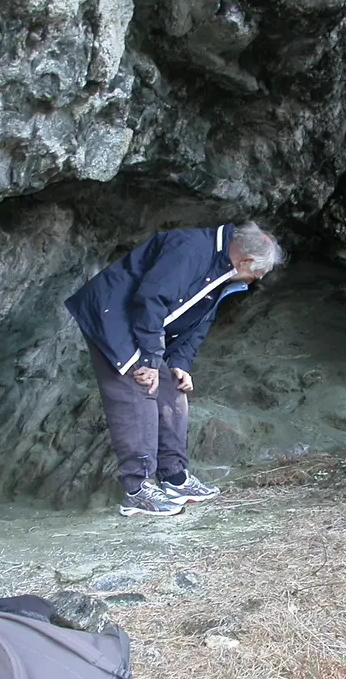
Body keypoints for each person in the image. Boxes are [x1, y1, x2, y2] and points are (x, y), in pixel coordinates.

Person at [65, 221, 285, 516]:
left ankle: (174, 478)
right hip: (112, 316)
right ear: (245, 260)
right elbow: (150, 299)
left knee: (171, 389)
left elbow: (201, 319)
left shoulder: (221, 268)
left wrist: (179, 363)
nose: (254, 280)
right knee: (141, 386)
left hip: (139, 324)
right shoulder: (192, 249)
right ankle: (137, 490)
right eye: (258, 273)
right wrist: (148, 359)